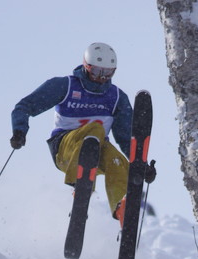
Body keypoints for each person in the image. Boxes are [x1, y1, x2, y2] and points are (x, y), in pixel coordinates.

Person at [9, 42, 155, 225]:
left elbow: (126, 138)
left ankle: (121, 209)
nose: (102, 78)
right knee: (95, 128)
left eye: (107, 73)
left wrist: (141, 166)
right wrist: (19, 131)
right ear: (87, 67)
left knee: (118, 162)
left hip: (99, 150)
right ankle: (81, 185)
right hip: (65, 149)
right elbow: (24, 106)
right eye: (97, 72)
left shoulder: (116, 97)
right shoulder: (66, 86)